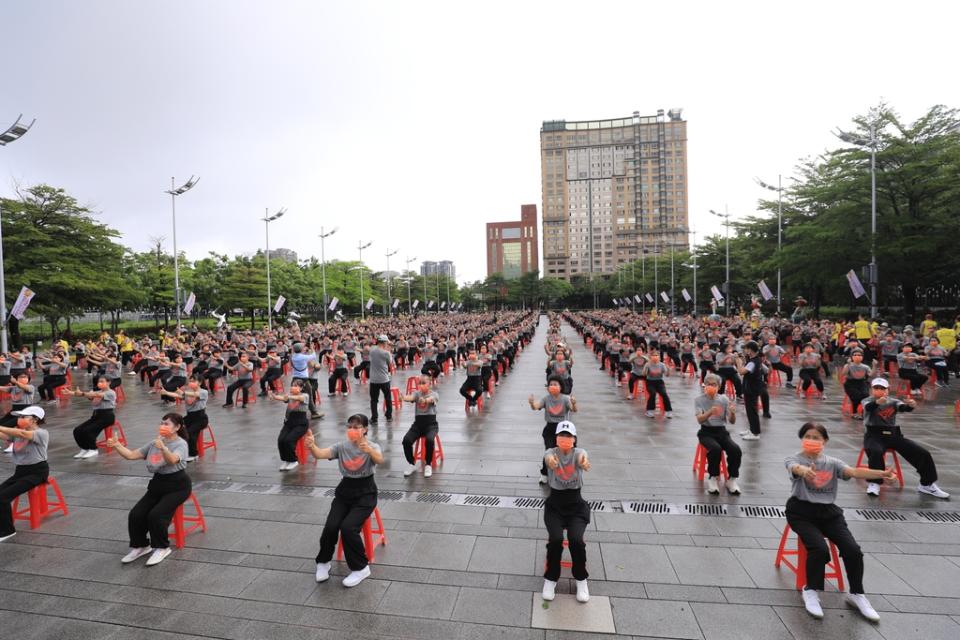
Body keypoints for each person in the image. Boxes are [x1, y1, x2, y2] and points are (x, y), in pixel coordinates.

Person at [785, 422, 896, 621]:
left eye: (816, 437)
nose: (811, 440)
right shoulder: (795, 458)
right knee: (819, 548)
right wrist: (803, 471)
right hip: (801, 511)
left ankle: (857, 594)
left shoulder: (832, 462)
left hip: (829, 512)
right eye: (807, 436)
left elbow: (853, 472)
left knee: (853, 550)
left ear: (825, 441)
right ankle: (810, 590)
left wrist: (881, 474)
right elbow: (794, 467)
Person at [305, 414, 383, 588]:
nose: (352, 430)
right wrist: (312, 446)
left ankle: (361, 568)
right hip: (345, 491)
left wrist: (369, 451)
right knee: (331, 526)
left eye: (356, 427)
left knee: (348, 528)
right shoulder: (342, 447)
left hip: (366, 493)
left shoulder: (372, 446)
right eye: (350, 426)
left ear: (365, 430)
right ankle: (323, 562)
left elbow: (380, 460)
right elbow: (320, 454)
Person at [106, 413, 191, 567]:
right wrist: (117, 445)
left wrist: (163, 448)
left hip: (178, 486)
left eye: (167, 424)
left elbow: (172, 460)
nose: (163, 426)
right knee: (136, 514)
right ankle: (141, 546)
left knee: (156, 515)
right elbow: (131, 455)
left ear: (177, 427)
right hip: (158, 483)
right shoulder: (154, 443)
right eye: (162, 423)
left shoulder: (181, 444)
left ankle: (162, 548)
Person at [860, 378, 948, 498]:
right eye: (876, 388)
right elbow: (868, 408)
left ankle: (927, 484)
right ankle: (875, 483)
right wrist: (877, 402)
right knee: (875, 451)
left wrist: (911, 405)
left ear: (887, 390)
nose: (879, 391)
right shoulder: (867, 400)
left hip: (893, 434)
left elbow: (902, 407)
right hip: (873, 435)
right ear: (872, 389)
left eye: (882, 388)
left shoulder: (893, 401)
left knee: (922, 453)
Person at [541, 421, 591, 603]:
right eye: (562, 436)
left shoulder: (579, 453)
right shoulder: (551, 452)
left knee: (576, 540)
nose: (565, 439)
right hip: (555, 506)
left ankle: (581, 579)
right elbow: (548, 458)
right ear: (556, 438)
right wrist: (550, 461)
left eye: (568, 436)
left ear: (574, 439)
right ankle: (551, 578)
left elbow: (583, 457)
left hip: (576, 507)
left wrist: (584, 463)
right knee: (556, 540)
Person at [0, 406, 50, 543]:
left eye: (23, 417)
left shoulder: (41, 433)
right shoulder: (18, 432)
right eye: (19, 417)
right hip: (20, 472)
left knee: (3, 497)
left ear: (34, 420)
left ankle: (8, 531)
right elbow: (5, 434)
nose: (20, 419)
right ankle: (3, 524)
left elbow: (21, 434)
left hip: (37, 472)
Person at [695, 374, 741, 495]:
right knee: (715, 449)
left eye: (713, 384)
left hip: (722, 431)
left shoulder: (724, 399)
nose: (711, 386)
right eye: (708, 384)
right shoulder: (699, 400)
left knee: (735, 449)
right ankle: (713, 477)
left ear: (719, 386)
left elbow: (732, 421)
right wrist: (710, 412)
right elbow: (699, 420)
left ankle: (732, 479)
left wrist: (733, 413)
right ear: (704, 385)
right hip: (706, 432)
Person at [528, 376, 577, 484]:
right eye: (551, 384)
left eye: (555, 384)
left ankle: (566, 474)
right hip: (550, 429)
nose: (553, 386)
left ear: (560, 387)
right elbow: (536, 407)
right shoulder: (546, 399)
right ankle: (544, 474)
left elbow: (574, 410)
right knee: (549, 450)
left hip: (562, 430)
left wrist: (574, 403)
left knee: (564, 452)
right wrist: (532, 403)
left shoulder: (565, 398)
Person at [161, 374, 208, 462]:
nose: (191, 383)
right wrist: (166, 393)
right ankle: (175, 448)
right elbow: (178, 395)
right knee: (176, 427)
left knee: (190, 432)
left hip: (200, 418)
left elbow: (195, 394)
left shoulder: (203, 392)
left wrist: (183, 393)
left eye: (194, 381)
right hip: (189, 416)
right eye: (190, 381)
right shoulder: (188, 391)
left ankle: (194, 454)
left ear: (200, 383)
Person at [401, 375, 440, 478]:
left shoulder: (434, 394)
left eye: (424, 383)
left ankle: (428, 464)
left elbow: (432, 399)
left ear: (429, 384)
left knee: (430, 440)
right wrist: (404, 398)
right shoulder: (417, 394)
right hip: (418, 425)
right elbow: (411, 397)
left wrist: (425, 401)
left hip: (431, 425)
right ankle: (411, 463)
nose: (421, 385)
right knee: (406, 440)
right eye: (420, 383)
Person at [70, 376, 118, 459]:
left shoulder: (111, 392)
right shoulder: (97, 391)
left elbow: (96, 395)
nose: (99, 383)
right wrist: (72, 392)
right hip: (96, 416)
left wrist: (82, 393)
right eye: (99, 381)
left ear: (109, 382)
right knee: (77, 430)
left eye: (102, 381)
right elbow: (89, 395)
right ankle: (84, 448)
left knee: (88, 431)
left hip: (107, 416)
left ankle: (93, 449)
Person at [270, 379, 311, 471]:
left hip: (301, 424)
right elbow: (283, 398)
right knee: (281, 440)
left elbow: (299, 398)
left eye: (296, 385)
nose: (293, 387)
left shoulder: (305, 396)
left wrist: (290, 396)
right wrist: (274, 396)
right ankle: (286, 460)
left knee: (289, 440)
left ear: (301, 388)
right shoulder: (290, 396)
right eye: (293, 385)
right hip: (289, 423)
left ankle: (293, 460)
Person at [737, 340, 769, 439]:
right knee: (750, 410)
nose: (745, 351)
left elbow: (742, 372)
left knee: (752, 411)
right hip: (752, 388)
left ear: (750, 350)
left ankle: (755, 433)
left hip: (752, 389)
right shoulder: (755, 360)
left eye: (746, 349)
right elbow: (765, 370)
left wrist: (738, 362)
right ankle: (752, 429)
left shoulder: (753, 362)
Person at [840, 350, 873, 420]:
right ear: (851, 357)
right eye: (855, 355)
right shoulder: (848, 365)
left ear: (862, 357)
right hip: (850, 383)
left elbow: (871, 374)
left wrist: (875, 366)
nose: (857, 356)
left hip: (861, 383)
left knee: (866, 395)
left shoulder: (865, 367)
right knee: (857, 396)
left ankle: (863, 412)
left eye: (859, 355)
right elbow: (843, 374)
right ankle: (854, 412)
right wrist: (848, 364)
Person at [368, 336, 394, 425]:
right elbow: (390, 363)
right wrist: (389, 350)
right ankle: (389, 416)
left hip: (373, 379)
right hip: (384, 379)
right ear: (384, 343)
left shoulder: (372, 350)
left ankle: (374, 418)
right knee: (387, 398)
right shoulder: (386, 353)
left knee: (374, 400)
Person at [641, 351, 673, 419]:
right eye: (653, 355)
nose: (655, 357)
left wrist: (668, 370)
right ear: (651, 357)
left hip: (659, 382)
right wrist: (646, 370)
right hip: (650, 382)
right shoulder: (648, 364)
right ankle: (650, 410)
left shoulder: (661, 365)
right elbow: (644, 374)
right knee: (653, 393)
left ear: (659, 357)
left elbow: (667, 375)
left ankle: (668, 411)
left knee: (664, 393)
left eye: (656, 355)